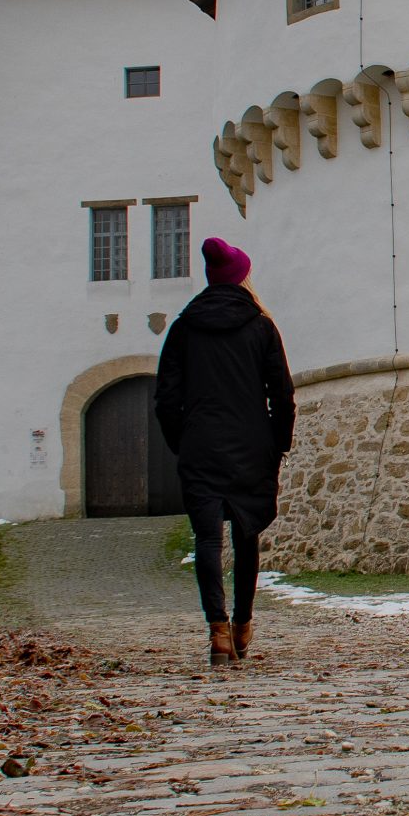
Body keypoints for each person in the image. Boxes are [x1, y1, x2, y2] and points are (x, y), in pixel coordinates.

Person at [153, 237, 295, 667]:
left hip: (201, 445)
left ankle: (216, 631)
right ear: (241, 277)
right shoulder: (260, 326)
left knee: (208, 539)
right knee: (246, 533)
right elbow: (282, 395)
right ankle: (243, 624)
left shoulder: (183, 327)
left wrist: (184, 442)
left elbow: (165, 399)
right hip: (251, 445)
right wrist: (277, 444)